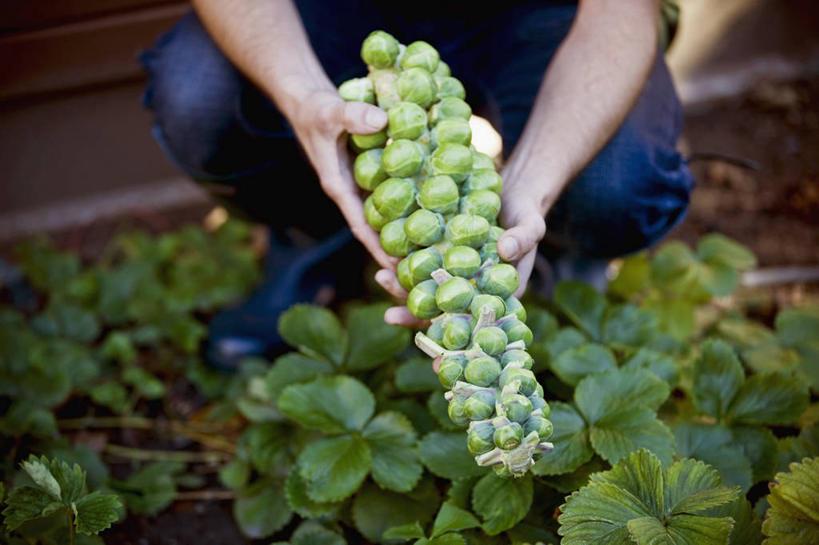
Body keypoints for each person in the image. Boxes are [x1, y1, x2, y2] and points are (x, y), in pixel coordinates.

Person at [140, 0, 692, 370]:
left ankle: (557, 255)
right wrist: (300, 95)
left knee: (618, 182)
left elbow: (621, 13)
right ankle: (314, 235)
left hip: (547, 12)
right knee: (199, 95)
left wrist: (534, 185)